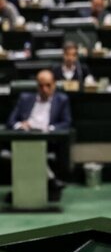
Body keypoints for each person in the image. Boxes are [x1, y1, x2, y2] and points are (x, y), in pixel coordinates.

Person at [6, 70, 72, 201]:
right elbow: (11, 122)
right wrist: (21, 126)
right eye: (41, 86)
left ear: (54, 85)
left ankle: (45, 183)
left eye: (48, 85)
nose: (44, 89)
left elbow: (66, 122)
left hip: (48, 140)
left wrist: (50, 128)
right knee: (27, 149)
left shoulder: (61, 100)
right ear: (37, 86)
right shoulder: (25, 99)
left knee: (33, 151)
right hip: (25, 138)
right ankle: (51, 179)